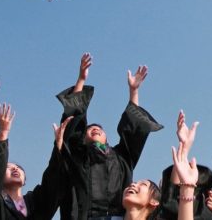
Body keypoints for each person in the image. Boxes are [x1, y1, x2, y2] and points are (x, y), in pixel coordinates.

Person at [57, 53, 164, 220]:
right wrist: (81, 80)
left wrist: (133, 91)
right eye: (89, 130)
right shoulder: (77, 156)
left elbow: (132, 129)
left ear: (107, 137)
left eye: (99, 128)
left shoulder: (121, 157)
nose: (94, 129)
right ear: (83, 138)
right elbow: (72, 123)